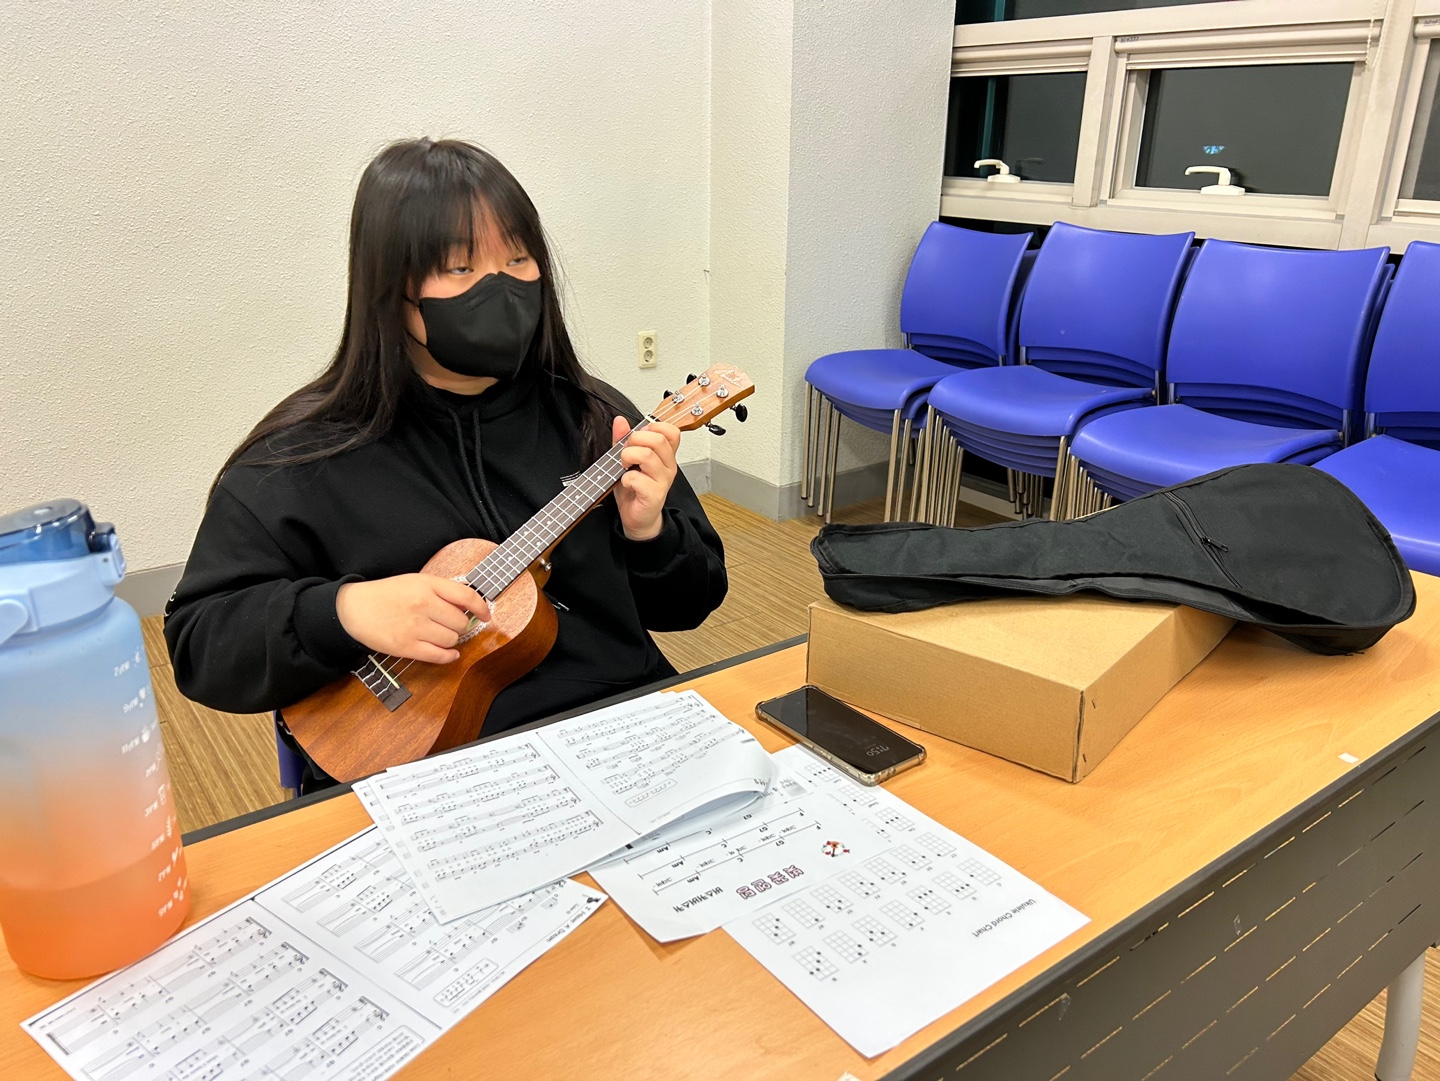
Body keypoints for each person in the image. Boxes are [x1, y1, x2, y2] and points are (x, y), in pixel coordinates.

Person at [165, 138, 728, 792]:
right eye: (460, 267)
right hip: (426, 776)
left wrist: (649, 533)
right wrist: (345, 611)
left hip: (618, 736)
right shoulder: (299, 458)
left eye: (517, 258)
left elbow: (694, 603)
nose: (500, 285)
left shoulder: (597, 419)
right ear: (390, 290)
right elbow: (200, 644)